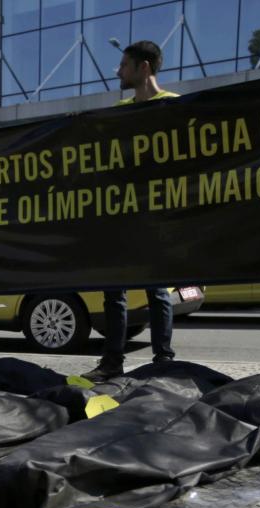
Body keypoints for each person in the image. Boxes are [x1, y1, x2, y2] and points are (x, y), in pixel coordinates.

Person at [84, 40, 179, 380]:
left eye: (124, 65)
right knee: (114, 292)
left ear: (144, 68)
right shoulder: (120, 113)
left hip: (156, 215)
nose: (118, 72)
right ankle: (112, 363)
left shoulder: (174, 107)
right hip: (121, 217)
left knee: (158, 291)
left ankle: (163, 361)